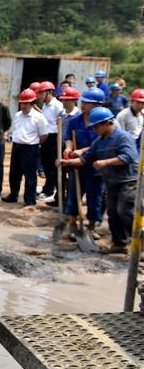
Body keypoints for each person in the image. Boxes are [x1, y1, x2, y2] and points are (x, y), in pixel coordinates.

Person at [59, 107, 140, 254]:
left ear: (106, 123)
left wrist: (106, 162)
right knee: (113, 213)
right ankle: (119, 244)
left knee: (125, 211)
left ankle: (139, 245)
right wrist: (67, 162)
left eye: (96, 126)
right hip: (112, 182)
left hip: (128, 182)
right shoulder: (99, 141)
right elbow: (85, 159)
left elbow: (129, 157)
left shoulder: (122, 137)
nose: (94, 130)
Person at [61, 88, 107, 240]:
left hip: (95, 165)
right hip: (77, 165)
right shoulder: (76, 120)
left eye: (87, 103)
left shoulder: (102, 122)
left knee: (95, 197)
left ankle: (92, 226)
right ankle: (72, 224)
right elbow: (68, 136)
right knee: (74, 194)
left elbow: (100, 143)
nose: (83, 105)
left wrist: (82, 151)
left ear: (97, 105)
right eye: (83, 102)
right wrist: (68, 148)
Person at [2, 88, 48, 207]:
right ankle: (13, 195)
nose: (23, 105)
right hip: (17, 147)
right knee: (14, 174)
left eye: (26, 103)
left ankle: (29, 200)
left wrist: (34, 144)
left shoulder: (39, 117)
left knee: (30, 176)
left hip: (30, 148)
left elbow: (44, 135)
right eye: (22, 103)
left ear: (32, 103)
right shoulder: (17, 115)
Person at [36, 81, 62, 200]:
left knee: (52, 166)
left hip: (54, 138)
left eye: (41, 93)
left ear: (49, 92)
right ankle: (48, 187)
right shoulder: (45, 105)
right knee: (46, 165)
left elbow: (60, 124)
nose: (39, 96)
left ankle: (50, 190)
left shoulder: (57, 106)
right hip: (45, 137)